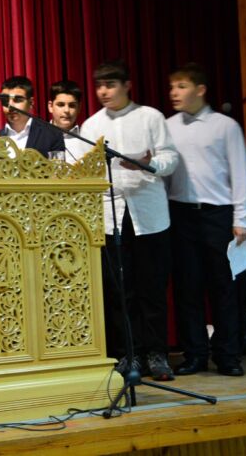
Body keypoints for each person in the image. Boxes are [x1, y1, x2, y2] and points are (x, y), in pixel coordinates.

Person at [80, 59, 179, 382]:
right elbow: (83, 170)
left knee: (152, 288)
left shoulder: (150, 116)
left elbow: (170, 157)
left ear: (127, 86)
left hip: (148, 215)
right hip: (110, 215)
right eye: (99, 86)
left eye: (110, 85)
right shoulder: (91, 125)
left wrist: (148, 166)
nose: (103, 91)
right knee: (120, 291)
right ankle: (128, 353)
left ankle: (157, 354)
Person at [166, 63, 246, 377]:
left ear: (200, 90)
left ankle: (228, 356)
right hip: (181, 213)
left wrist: (243, 217)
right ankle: (195, 355)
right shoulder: (168, 126)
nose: (174, 92)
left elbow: (240, 172)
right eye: (172, 87)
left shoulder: (225, 126)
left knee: (224, 287)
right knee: (187, 287)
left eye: (182, 86)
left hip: (219, 214)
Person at [0, 76, 64, 157]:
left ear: (31, 102)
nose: (10, 106)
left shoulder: (52, 134)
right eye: (5, 101)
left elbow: (58, 164)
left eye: (17, 100)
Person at [47, 79, 89, 163]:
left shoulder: (88, 138)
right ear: (50, 106)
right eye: (61, 105)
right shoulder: (38, 137)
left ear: (79, 108)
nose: (66, 110)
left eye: (72, 105)